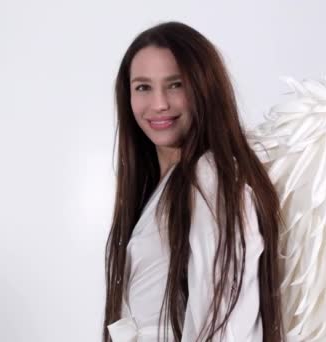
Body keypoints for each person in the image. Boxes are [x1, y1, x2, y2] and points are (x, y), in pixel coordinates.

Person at [103, 21, 285, 342]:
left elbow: (227, 315)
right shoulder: (159, 187)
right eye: (143, 87)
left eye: (175, 85)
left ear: (204, 88)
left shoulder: (209, 174)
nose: (159, 103)